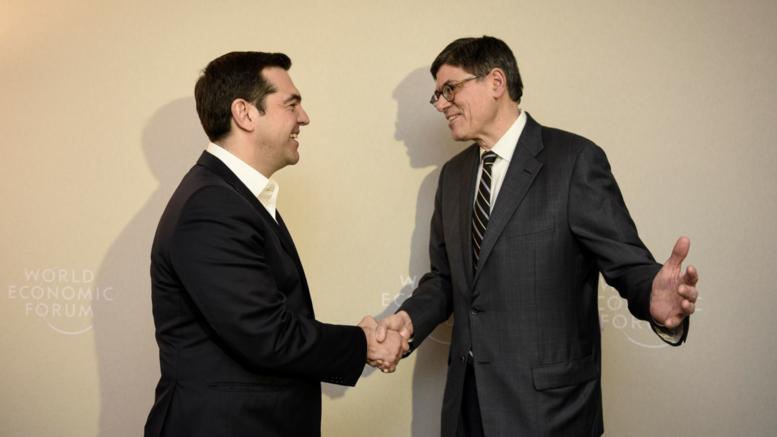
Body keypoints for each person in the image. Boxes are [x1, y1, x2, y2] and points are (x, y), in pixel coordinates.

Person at [376, 36, 699, 437]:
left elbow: (627, 263)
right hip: (467, 409)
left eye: (449, 89)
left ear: (496, 82)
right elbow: (445, 280)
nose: (441, 104)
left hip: (550, 413)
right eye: (436, 96)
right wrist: (407, 320)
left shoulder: (575, 160)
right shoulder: (453, 177)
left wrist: (653, 297)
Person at [144, 51, 404, 437]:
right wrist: (362, 344)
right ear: (245, 113)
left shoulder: (230, 196)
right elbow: (266, 333)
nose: (304, 117)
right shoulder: (211, 206)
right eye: (291, 104)